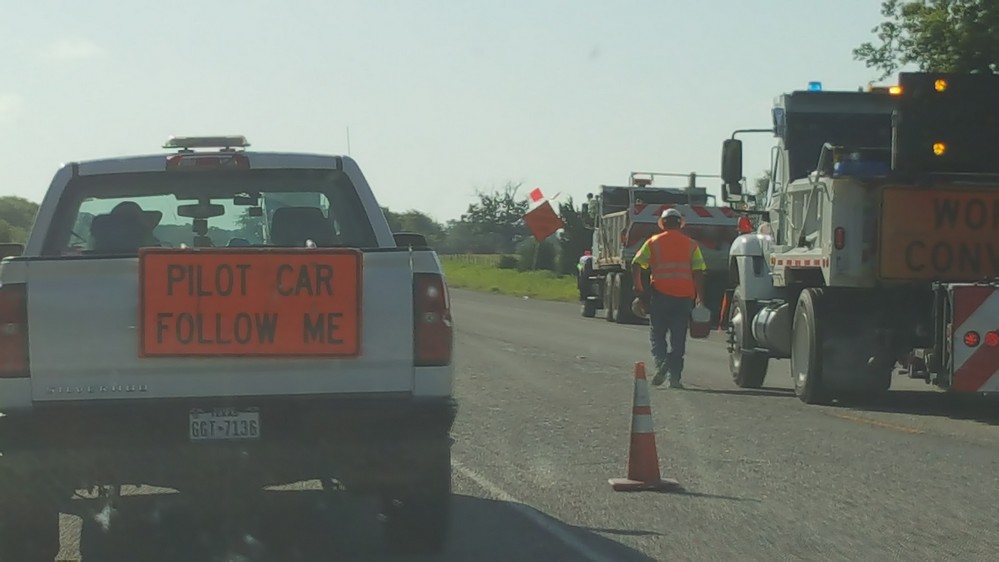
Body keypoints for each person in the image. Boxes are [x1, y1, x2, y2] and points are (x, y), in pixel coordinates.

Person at [630, 208, 707, 388]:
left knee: (657, 335)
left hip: (660, 295)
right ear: (680, 223)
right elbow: (699, 271)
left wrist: (638, 287)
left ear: (662, 224)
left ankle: (661, 364)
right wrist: (700, 298)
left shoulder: (653, 242)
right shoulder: (691, 244)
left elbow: (636, 263)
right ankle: (675, 378)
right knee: (678, 338)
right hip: (684, 296)